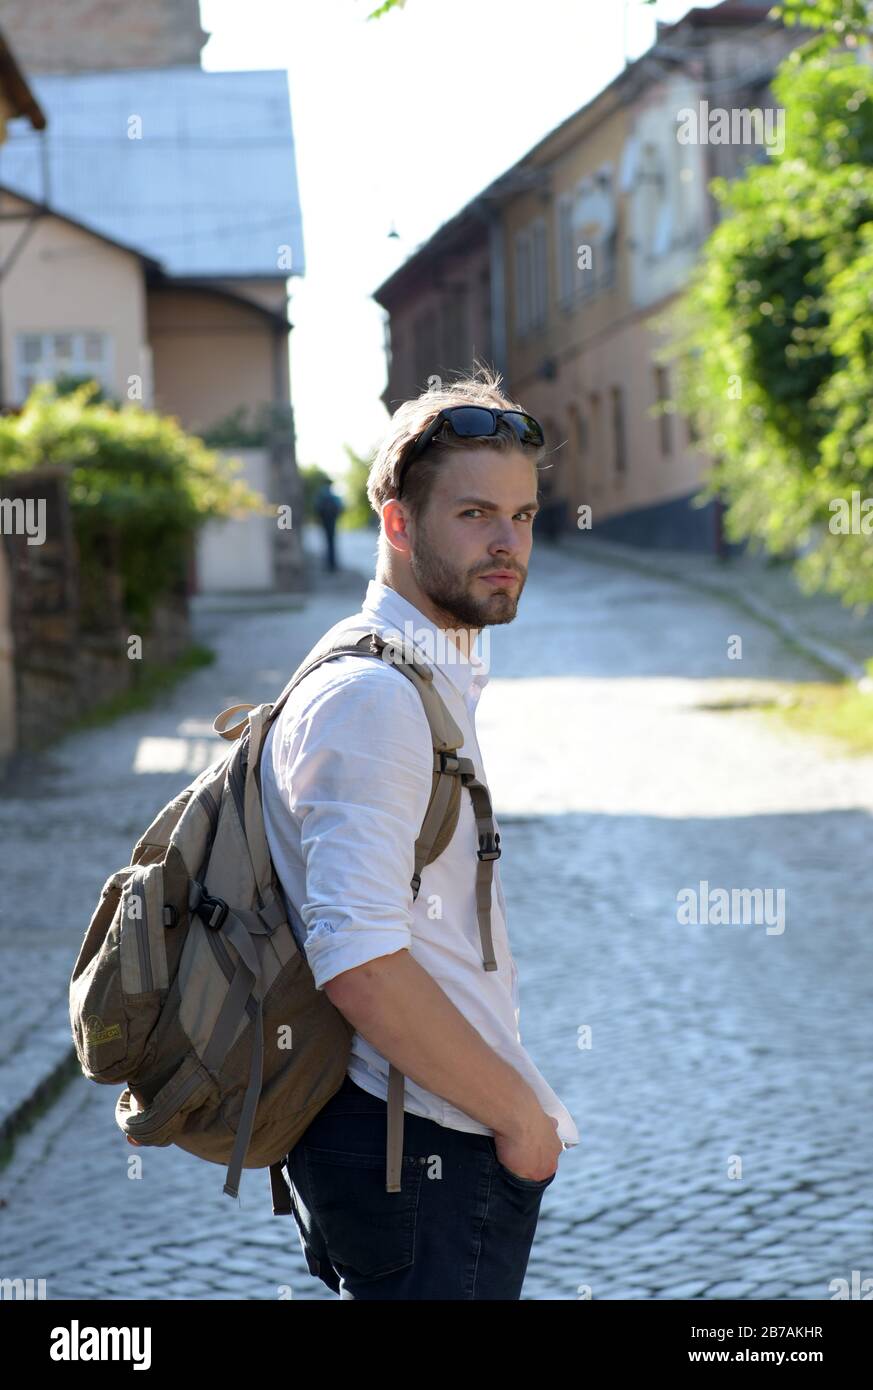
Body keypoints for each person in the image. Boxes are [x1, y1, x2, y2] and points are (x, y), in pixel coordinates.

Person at [260, 367, 579, 1300]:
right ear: (397, 524)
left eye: (521, 516)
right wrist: (522, 1121)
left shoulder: (412, 672)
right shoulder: (373, 698)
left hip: (419, 1128)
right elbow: (357, 957)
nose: (507, 544)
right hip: (418, 1140)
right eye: (475, 514)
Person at [313, 480, 343, 571]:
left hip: (324, 521)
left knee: (325, 542)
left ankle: (327, 564)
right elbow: (340, 507)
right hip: (332, 521)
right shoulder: (333, 496)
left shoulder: (321, 495)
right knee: (332, 542)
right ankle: (333, 564)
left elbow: (317, 507)